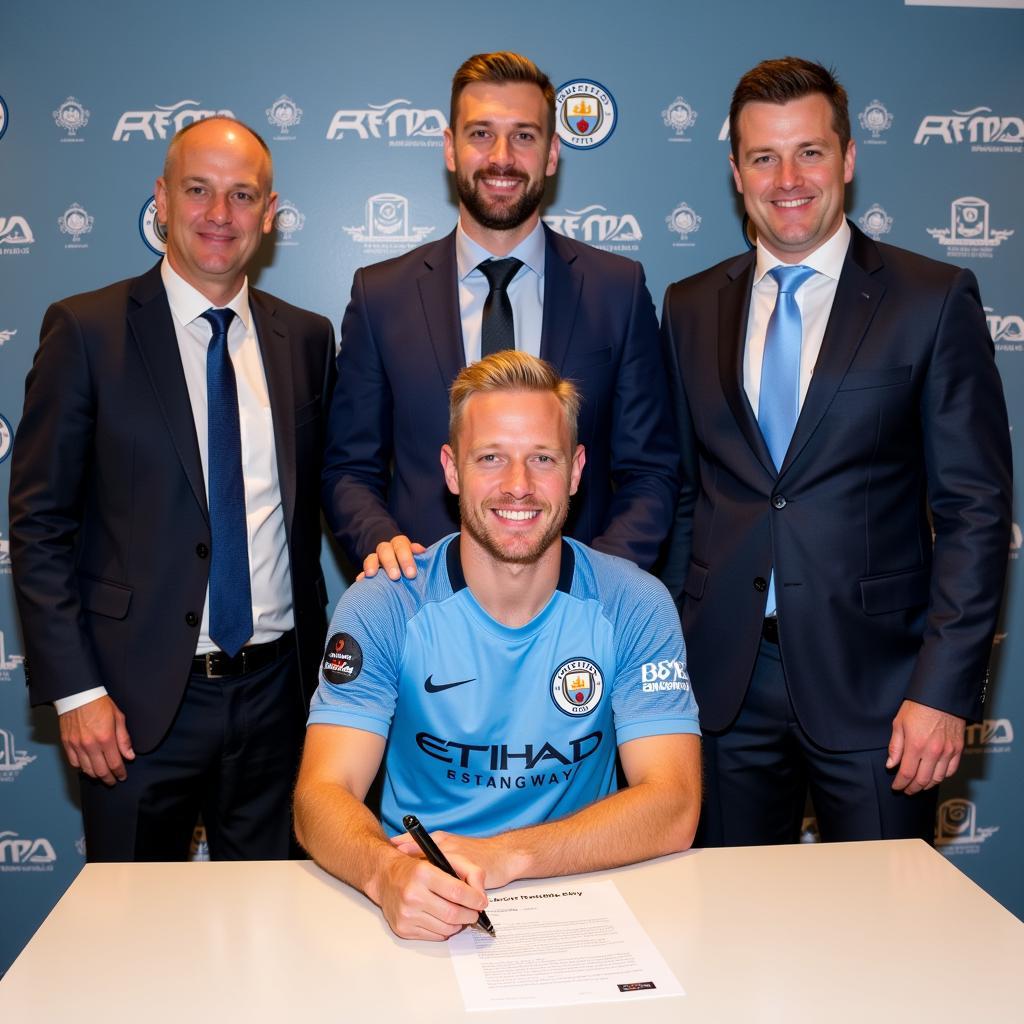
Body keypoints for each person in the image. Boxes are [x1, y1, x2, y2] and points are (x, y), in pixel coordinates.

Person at [660, 57, 1011, 846]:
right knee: (726, 934)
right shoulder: (689, 305)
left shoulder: (930, 299)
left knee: (886, 940)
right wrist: (675, 656)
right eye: (763, 156)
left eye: (810, 151)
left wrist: (944, 692)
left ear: (847, 158)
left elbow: (974, 512)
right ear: (735, 171)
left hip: (881, 694)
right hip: (722, 689)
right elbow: (687, 493)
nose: (789, 177)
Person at [9, 117, 336, 861]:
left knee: (275, 932)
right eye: (198, 190)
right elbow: (38, 524)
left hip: (279, 699)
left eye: (242, 195)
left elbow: (323, 497)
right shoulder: (87, 331)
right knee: (130, 940)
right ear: (161, 197)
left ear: (270, 211)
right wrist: (77, 692)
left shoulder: (307, 340)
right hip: (131, 704)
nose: (220, 215)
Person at [295, 351, 700, 941]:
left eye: (543, 458)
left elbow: (674, 804)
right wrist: (384, 875)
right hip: (421, 900)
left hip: (585, 896)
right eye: (490, 458)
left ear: (577, 469)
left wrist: (506, 856)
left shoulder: (633, 604)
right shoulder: (387, 603)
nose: (518, 486)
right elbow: (320, 795)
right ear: (452, 469)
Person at [322, 51, 678, 581]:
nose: (503, 157)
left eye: (525, 136)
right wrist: (384, 547)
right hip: (425, 606)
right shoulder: (381, 295)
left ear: (554, 153)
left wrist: (599, 584)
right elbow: (349, 468)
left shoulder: (617, 290)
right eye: (481, 133)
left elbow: (650, 471)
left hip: (578, 613)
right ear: (450, 148)